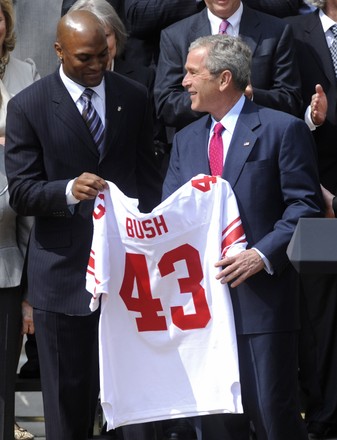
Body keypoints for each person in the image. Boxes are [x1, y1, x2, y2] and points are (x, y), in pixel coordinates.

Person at [5, 9, 162, 440]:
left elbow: (149, 181)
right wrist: (67, 190)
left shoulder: (132, 96)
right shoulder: (29, 105)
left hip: (127, 275)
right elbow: (21, 192)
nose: (96, 67)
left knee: (130, 404)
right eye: (85, 59)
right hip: (62, 275)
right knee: (66, 407)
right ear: (59, 51)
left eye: (104, 58)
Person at [162, 34, 324, 440]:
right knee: (215, 423)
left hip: (263, 305)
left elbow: (305, 207)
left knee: (272, 413)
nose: (183, 82)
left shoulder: (281, 130)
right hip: (203, 310)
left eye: (192, 73)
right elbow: (171, 214)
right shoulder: (185, 140)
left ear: (224, 79)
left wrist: (261, 255)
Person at [286, 2, 337, 437]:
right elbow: (284, 109)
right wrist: (314, 187)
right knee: (320, 311)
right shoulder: (293, 32)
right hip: (320, 197)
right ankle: (323, 412)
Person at [154, 0, 302, 141]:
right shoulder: (175, 35)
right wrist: (214, 99)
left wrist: (249, 97)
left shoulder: (276, 31)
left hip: (261, 144)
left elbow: (290, 99)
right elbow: (166, 103)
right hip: (197, 145)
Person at [0, 80, 34, 440]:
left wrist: (29, 298)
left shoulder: (11, 162)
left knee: (1, 383)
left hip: (5, 283)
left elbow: (27, 229)